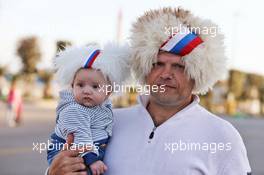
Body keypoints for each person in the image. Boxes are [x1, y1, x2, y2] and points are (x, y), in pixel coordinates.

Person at [46, 7, 251, 175]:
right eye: (157, 64)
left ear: (197, 74)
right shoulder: (106, 121)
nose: (166, 74)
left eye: (179, 66)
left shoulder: (222, 136)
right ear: (144, 68)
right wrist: (52, 172)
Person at [46, 43, 130, 175]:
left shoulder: (102, 108)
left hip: (90, 149)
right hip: (75, 152)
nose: (86, 91)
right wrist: (92, 160)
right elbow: (80, 136)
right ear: (72, 86)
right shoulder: (74, 109)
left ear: (108, 92)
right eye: (80, 85)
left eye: (95, 87)